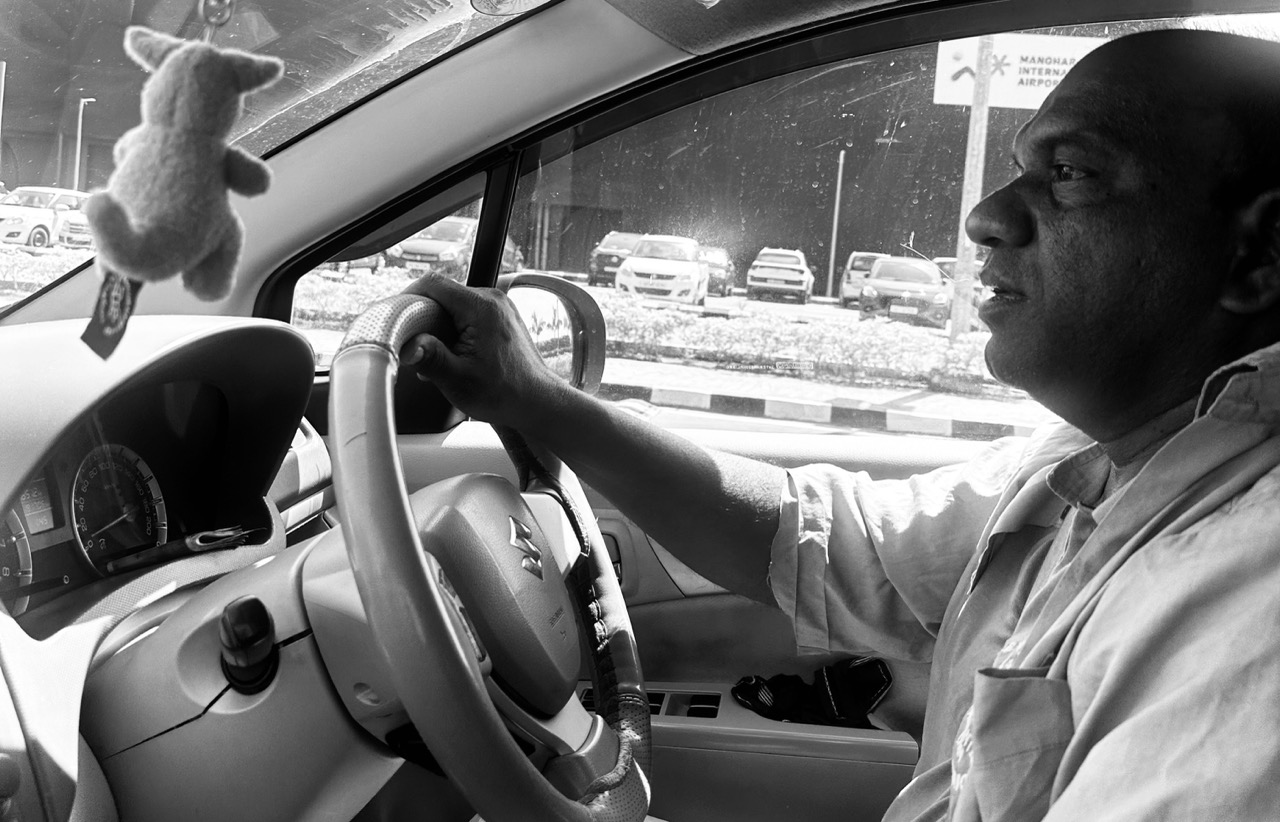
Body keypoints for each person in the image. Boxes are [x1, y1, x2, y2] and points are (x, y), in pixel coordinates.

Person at [400, 28, 1280, 821]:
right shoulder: (1088, 459)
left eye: (1072, 173)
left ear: (1259, 255)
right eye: (1019, 166)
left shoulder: (1250, 604)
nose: (986, 216)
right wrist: (537, 399)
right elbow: (823, 541)